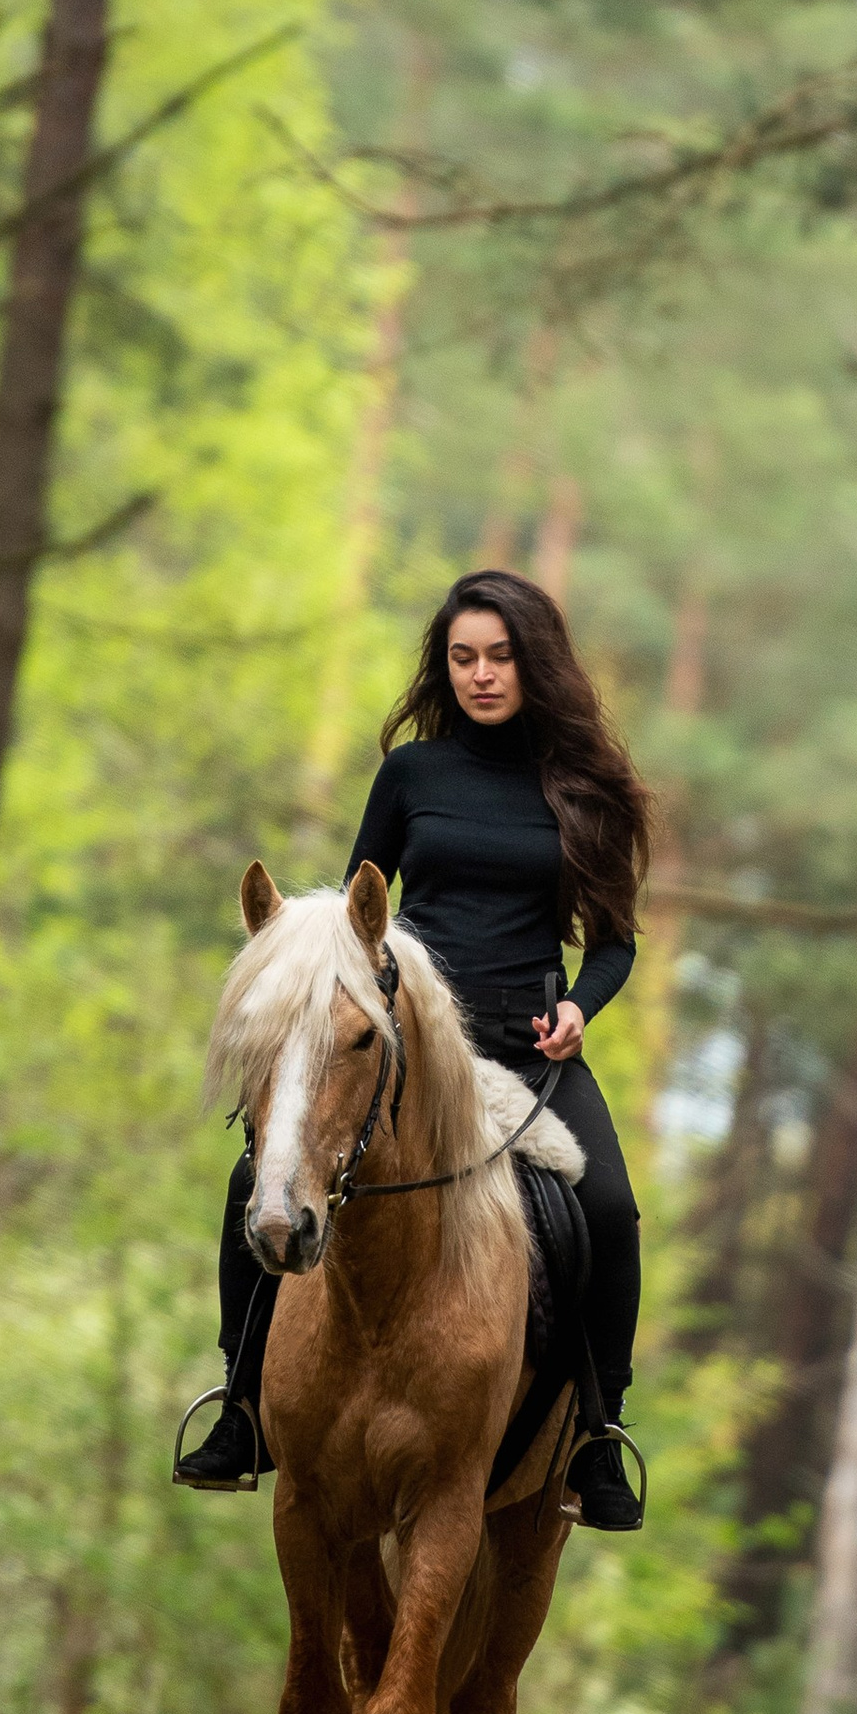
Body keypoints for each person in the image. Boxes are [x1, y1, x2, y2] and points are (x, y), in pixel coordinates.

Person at [176, 568, 654, 1532]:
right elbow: (359, 910)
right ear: (445, 666)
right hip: (409, 1045)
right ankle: (239, 1406)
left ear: (536, 663)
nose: (481, 675)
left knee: (609, 1206)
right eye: (462, 657)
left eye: (500, 657)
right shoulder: (412, 775)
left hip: (527, 1047)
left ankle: (597, 1437)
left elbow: (612, 940)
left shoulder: (582, 788)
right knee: (255, 1180)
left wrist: (582, 1011)